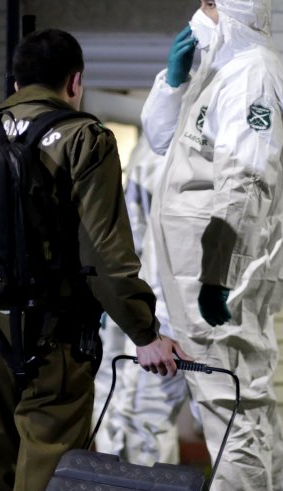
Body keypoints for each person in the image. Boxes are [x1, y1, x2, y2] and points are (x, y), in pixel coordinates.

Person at [0, 28, 189, 491]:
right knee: (46, 481)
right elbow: (104, 256)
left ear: (15, 82)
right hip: (54, 344)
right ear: (74, 82)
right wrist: (145, 334)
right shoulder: (84, 139)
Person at [140, 1, 283, 491]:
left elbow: (246, 185)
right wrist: (172, 83)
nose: (199, 11)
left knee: (232, 412)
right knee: (235, 406)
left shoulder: (254, 78)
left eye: (211, 3)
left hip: (214, 275)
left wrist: (221, 274)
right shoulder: (216, 71)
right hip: (193, 272)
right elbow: (160, 139)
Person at [91, 135, 191, 466]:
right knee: (124, 406)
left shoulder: (159, 152)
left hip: (149, 312)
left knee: (142, 410)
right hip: (139, 311)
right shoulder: (160, 151)